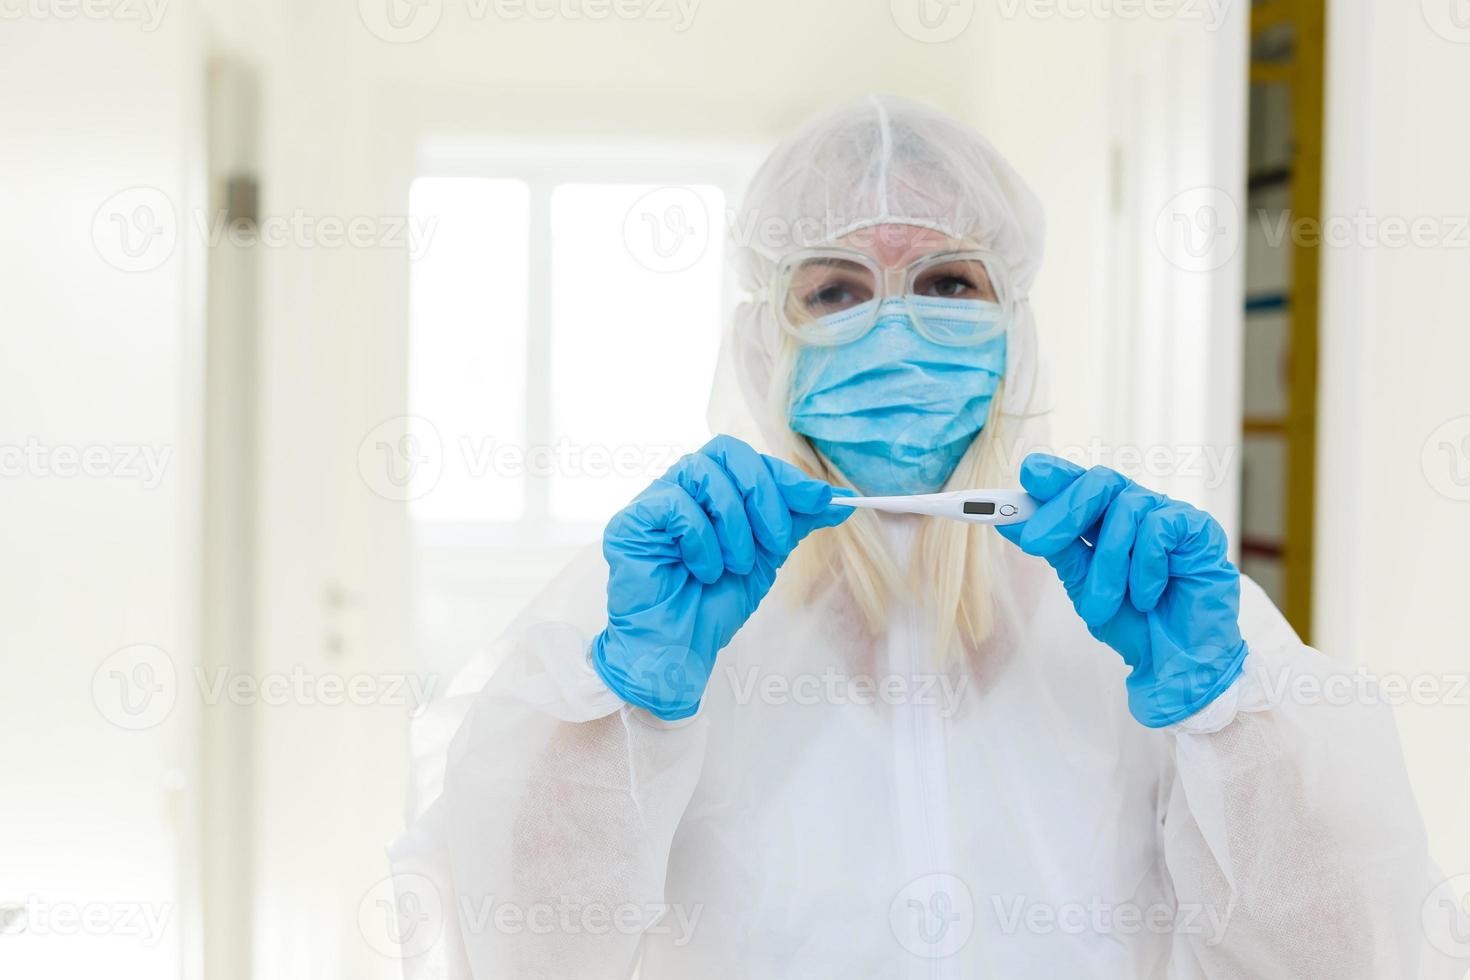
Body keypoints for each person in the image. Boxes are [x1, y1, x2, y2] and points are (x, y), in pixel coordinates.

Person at [390, 95, 1463, 978]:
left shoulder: (1137, 600)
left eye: (948, 282)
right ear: (769, 335)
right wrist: (626, 708)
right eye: (837, 289)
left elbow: (1351, 953)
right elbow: (517, 949)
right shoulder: (655, 606)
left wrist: (1226, 712)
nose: (894, 325)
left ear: (1015, 326)